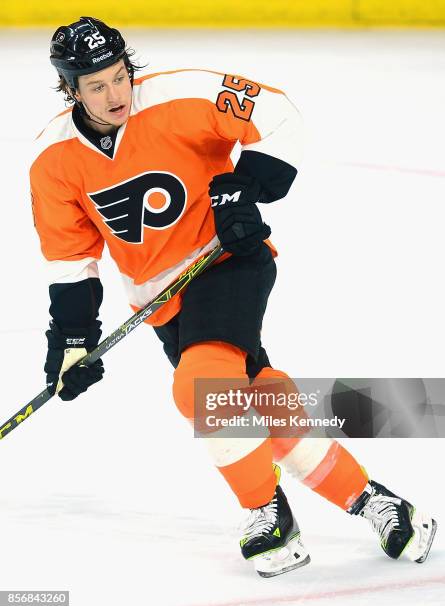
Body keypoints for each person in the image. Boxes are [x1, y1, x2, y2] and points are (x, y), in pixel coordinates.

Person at [30, 16, 436, 577]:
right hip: (161, 302)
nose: (115, 93)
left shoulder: (180, 94)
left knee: (201, 388)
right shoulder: (52, 157)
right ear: (70, 89)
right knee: (258, 404)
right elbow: (71, 257)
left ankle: (267, 513)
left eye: (120, 76)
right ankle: (380, 504)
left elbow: (277, 114)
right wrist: (72, 342)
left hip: (227, 259)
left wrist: (246, 186)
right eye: (96, 86)